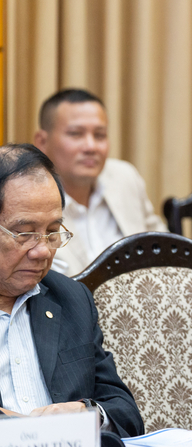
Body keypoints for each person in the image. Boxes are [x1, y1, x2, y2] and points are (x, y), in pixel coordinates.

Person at [0, 144, 143, 436]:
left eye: (53, 232)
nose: (42, 251)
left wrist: (87, 413)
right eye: (25, 233)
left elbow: (126, 413)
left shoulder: (71, 299)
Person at [33, 89, 166, 277]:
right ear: (42, 141)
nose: (91, 147)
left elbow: (164, 248)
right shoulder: (28, 197)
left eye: (100, 135)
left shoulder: (124, 177)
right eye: (76, 134)